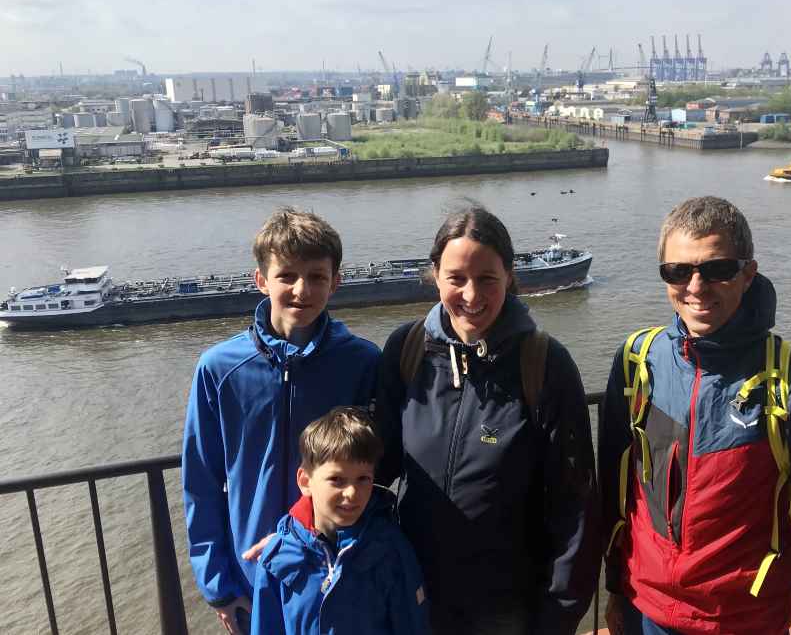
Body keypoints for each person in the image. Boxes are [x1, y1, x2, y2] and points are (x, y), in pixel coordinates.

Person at [599, 196, 791, 634]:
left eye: (717, 269)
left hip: (743, 621)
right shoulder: (638, 361)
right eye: (677, 271)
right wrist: (615, 589)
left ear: (748, 273)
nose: (696, 287)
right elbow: (617, 491)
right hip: (646, 611)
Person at [376, 206, 600, 635]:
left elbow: (575, 504)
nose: (472, 296)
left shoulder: (544, 364)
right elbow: (374, 469)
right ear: (435, 275)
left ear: (510, 277)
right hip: (415, 594)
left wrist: (560, 614)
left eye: (487, 279)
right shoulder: (406, 352)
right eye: (456, 278)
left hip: (506, 607)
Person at [183, 207, 380, 634]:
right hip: (253, 577)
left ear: (336, 281)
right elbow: (200, 481)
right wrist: (218, 585)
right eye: (286, 275)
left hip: (336, 572)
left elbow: (379, 472)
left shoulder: (363, 362)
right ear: (260, 280)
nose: (301, 289)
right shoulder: (219, 369)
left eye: (316, 276)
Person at [250, 407, 430, 635]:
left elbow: (412, 625)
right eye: (337, 479)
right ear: (306, 481)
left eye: (363, 479)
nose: (352, 493)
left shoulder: (391, 550)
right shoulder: (277, 558)